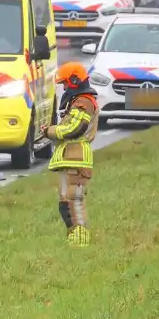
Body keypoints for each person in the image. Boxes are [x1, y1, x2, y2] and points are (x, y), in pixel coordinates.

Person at [43, 63, 98, 247]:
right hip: (69, 156)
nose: (64, 88)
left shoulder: (84, 102)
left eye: (65, 83)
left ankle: (81, 240)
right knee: (65, 203)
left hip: (77, 157)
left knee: (74, 198)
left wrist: (51, 131)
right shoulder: (77, 102)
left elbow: (74, 128)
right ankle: (74, 238)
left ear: (74, 80)